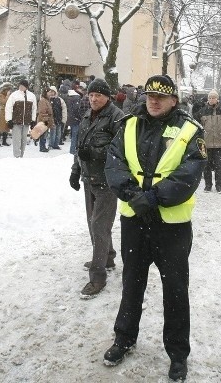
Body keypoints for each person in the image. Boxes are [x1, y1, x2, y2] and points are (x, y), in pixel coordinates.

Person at [102, 74, 207, 382]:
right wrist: (135, 197)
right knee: (131, 283)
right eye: (149, 96)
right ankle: (124, 338)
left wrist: (151, 198)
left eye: (161, 97)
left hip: (171, 226)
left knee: (175, 290)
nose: (154, 100)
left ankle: (177, 354)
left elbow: (189, 176)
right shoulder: (128, 125)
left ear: (174, 100)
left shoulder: (190, 130)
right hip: (134, 221)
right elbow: (114, 164)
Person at [68, 78, 124, 299]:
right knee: (93, 222)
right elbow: (80, 146)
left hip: (107, 181)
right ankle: (107, 257)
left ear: (107, 97)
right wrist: (75, 170)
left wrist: (96, 154)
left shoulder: (116, 117)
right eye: (90, 95)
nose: (93, 99)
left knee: (99, 226)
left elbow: (121, 149)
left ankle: (98, 276)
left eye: (97, 95)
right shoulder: (86, 115)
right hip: (88, 178)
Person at [198, 90, 221, 192]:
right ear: (208, 99)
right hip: (206, 143)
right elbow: (198, 127)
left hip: (220, 143)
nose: (212, 99)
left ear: (217, 99)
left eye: (214, 97)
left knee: (219, 167)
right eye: (210, 98)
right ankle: (208, 185)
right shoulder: (202, 111)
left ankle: (219, 186)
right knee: (206, 166)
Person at [5, 79, 36, 158]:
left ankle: (21, 155)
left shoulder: (32, 96)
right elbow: (8, 107)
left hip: (26, 121)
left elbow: (34, 109)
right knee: (17, 139)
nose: (21, 87)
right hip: (16, 121)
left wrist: (33, 120)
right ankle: (17, 156)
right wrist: (9, 120)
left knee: (23, 140)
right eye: (20, 85)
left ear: (26, 87)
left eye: (23, 86)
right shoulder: (14, 95)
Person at [37, 88, 54, 152]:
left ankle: (43, 146)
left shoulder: (47, 100)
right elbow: (42, 112)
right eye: (49, 92)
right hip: (44, 120)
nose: (50, 94)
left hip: (46, 120)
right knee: (43, 134)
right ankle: (42, 147)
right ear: (45, 93)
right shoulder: (43, 101)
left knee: (44, 134)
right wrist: (46, 120)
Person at [0, 82, 12, 147]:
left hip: (8, 111)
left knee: (7, 126)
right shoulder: (1, 94)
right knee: (1, 126)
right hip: (2, 112)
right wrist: (7, 96)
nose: (9, 91)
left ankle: (4, 141)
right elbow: (3, 102)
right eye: (8, 89)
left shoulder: (9, 95)